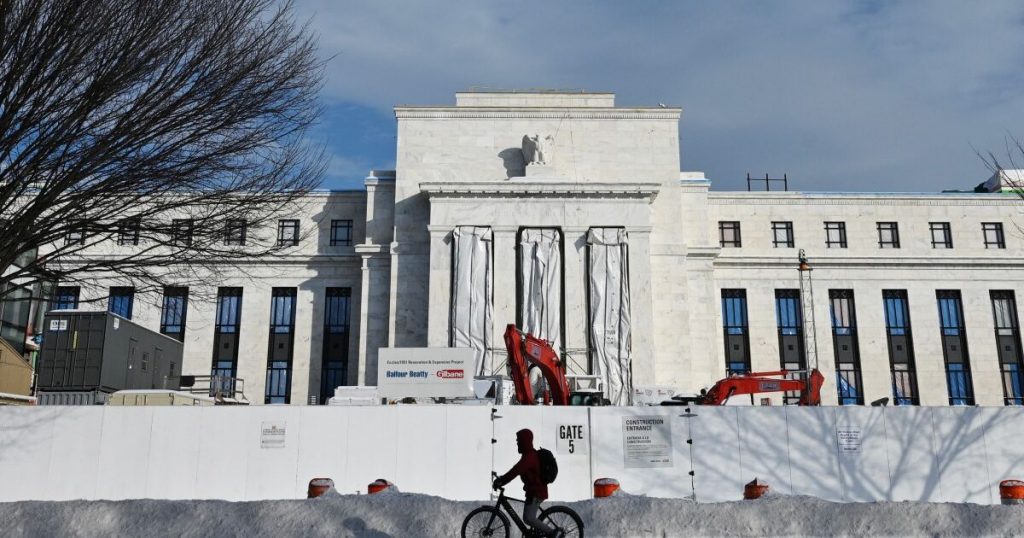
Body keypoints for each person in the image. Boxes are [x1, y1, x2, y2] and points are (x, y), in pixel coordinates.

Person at [493, 428, 556, 537]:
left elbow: (515, 471)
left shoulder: (529, 457)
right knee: (528, 518)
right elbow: (516, 469)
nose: (517, 442)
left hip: (537, 492)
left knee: (529, 518)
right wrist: (502, 480)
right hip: (533, 492)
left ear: (524, 441)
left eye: (518, 440)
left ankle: (554, 533)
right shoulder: (528, 455)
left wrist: (501, 481)